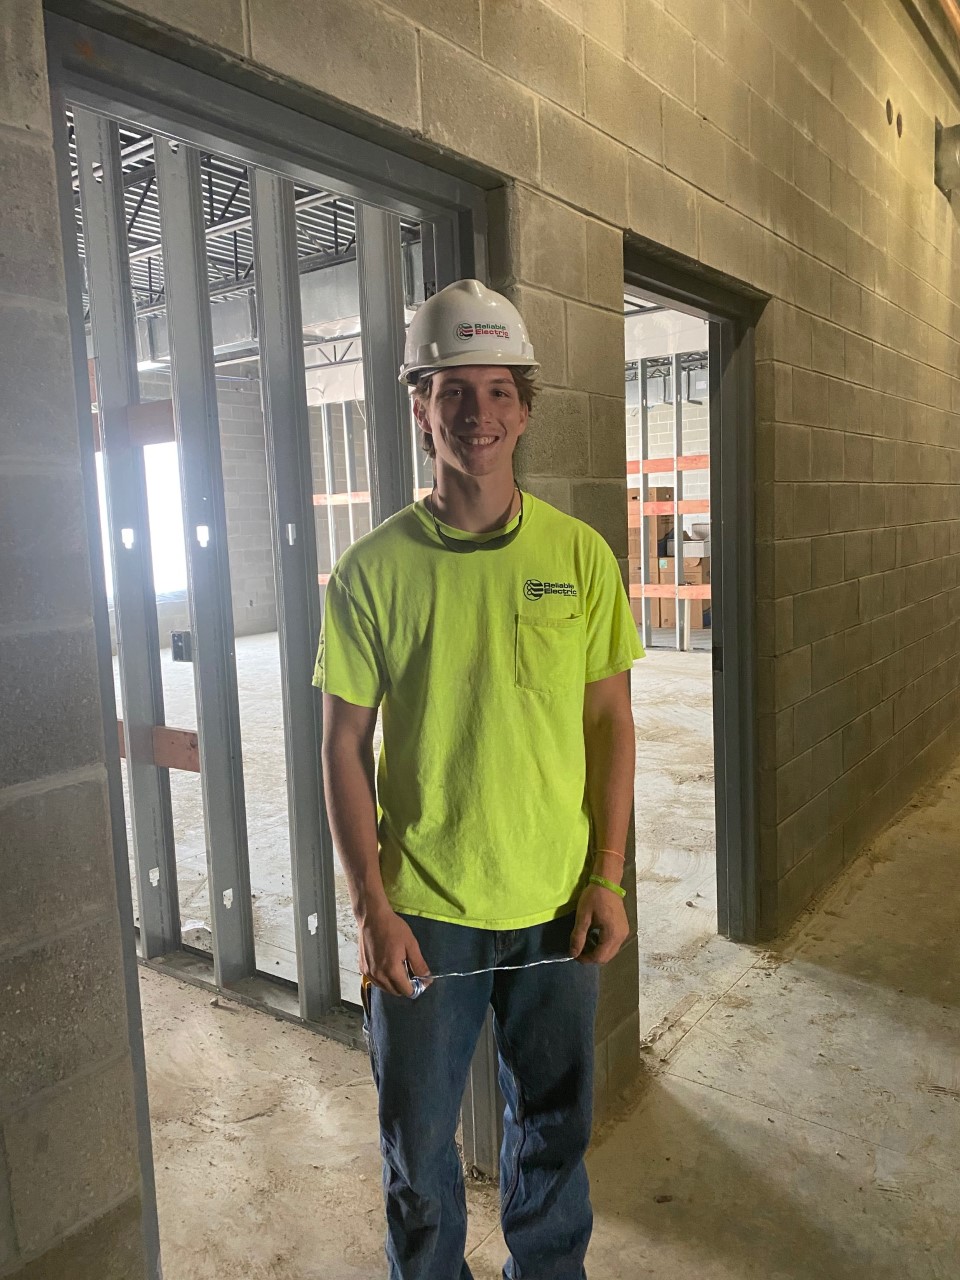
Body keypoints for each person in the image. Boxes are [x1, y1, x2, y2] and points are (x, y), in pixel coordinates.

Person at [314, 278, 642, 1280]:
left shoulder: (579, 558)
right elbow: (343, 743)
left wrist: (609, 875)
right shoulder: (371, 571)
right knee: (419, 1149)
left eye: (499, 391)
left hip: (553, 902)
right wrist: (372, 905)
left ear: (527, 407)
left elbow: (609, 720)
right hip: (425, 910)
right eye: (454, 390)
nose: (479, 415)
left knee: (551, 1132)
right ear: (419, 404)